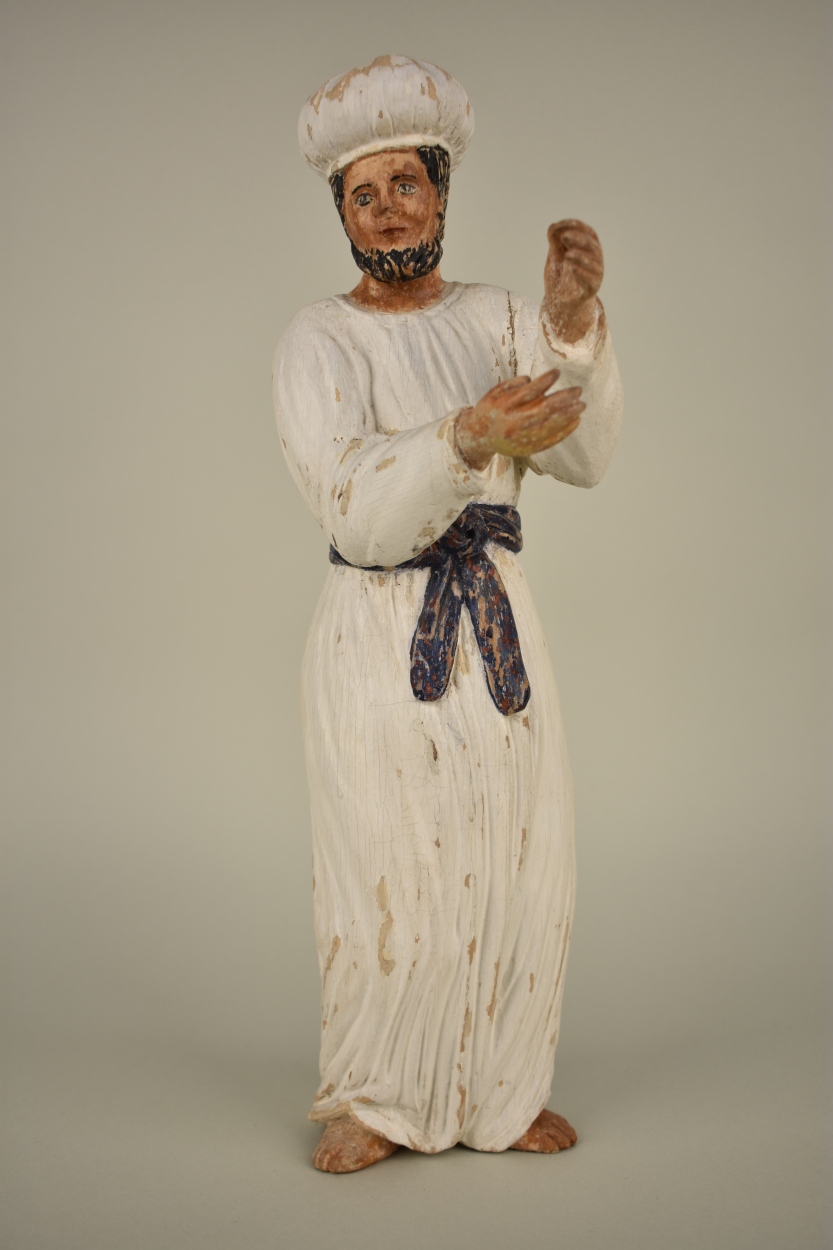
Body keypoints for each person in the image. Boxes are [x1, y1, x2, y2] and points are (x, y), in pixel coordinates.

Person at [272, 55, 623, 1173]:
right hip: (379, 633)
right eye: (362, 195)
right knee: (388, 862)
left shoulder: (498, 317)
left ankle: (503, 1085)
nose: (386, 212)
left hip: (494, 619)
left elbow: (583, 455)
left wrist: (570, 329)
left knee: (518, 852)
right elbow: (351, 502)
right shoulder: (317, 339)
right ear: (340, 213)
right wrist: (463, 437)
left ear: (440, 191)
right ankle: (376, 1091)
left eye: (405, 186)